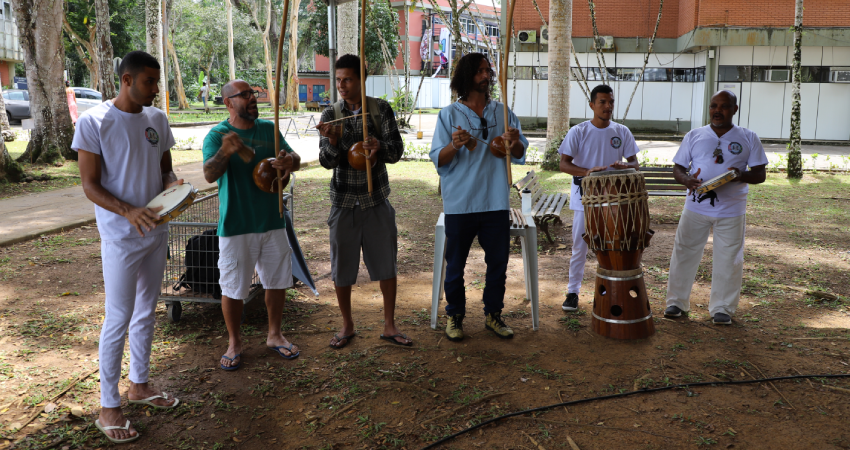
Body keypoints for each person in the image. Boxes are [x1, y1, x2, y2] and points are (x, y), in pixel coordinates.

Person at [73, 50, 180, 444]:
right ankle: (108, 406)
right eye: (148, 82)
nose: (154, 89)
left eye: (156, 81)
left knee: (146, 312)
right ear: (126, 80)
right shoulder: (95, 121)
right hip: (120, 236)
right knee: (117, 317)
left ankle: (139, 385)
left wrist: (171, 185)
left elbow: (164, 167)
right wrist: (128, 211)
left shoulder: (156, 119)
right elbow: (89, 184)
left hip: (156, 232)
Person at [203, 79, 302, 369]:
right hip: (236, 224)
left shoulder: (268, 130)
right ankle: (234, 342)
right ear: (228, 103)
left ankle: (275, 335)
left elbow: (294, 157)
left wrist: (288, 162)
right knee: (233, 286)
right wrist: (226, 151)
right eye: (244, 95)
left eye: (253, 93)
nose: (252, 98)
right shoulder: (217, 135)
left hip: (272, 220)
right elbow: (210, 174)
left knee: (277, 280)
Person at [429, 52, 528, 342]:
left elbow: (520, 153)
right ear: (466, 76)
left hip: (496, 200)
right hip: (460, 203)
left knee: (498, 263)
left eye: (488, 71)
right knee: (455, 265)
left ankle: (493, 315)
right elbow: (439, 159)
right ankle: (455, 316)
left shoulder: (503, 112)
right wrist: (454, 144)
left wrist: (514, 143)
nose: (486, 76)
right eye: (480, 71)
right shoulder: (449, 115)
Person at [315, 54, 410, 349]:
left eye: (348, 80)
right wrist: (332, 142)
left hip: (376, 200)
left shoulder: (379, 110)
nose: (341, 85)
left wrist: (378, 146)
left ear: (361, 79)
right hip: (343, 201)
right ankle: (347, 325)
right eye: (338, 80)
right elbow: (325, 162)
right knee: (341, 268)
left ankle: (389, 324)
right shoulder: (331, 115)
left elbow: (396, 152)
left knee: (386, 265)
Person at [664, 90, 767, 325]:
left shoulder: (748, 137)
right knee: (684, 253)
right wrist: (686, 180)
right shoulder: (695, 135)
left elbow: (760, 174)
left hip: (731, 210)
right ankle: (676, 303)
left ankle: (722, 308)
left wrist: (740, 175)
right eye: (713, 106)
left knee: (729, 258)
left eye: (723, 106)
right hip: (695, 207)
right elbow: (678, 168)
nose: (717, 111)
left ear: (734, 109)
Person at [557, 84, 640, 312]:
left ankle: (615, 292)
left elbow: (635, 163)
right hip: (585, 200)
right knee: (580, 247)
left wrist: (625, 165)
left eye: (611, 102)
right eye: (602, 102)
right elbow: (564, 164)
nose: (607, 106)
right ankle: (573, 292)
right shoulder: (579, 131)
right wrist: (587, 172)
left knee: (615, 247)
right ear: (592, 105)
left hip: (615, 202)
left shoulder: (621, 131)